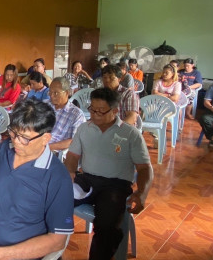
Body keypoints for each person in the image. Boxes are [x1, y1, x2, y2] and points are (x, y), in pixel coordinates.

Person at [0, 99, 74, 260]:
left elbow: (57, 241)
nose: (16, 141)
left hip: (17, 254)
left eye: (24, 137)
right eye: (13, 133)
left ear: (46, 138)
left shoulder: (57, 178)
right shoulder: (5, 148)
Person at [64, 88, 153, 260]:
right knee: (51, 198)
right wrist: (69, 171)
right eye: (92, 109)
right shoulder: (84, 128)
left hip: (115, 185)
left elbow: (144, 168)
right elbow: (73, 156)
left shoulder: (130, 134)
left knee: (106, 226)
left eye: (100, 111)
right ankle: (51, 250)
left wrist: (142, 193)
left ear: (115, 111)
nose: (94, 114)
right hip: (87, 180)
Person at [48, 77, 86, 153]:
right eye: (50, 92)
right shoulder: (45, 105)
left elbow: (74, 141)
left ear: (67, 93)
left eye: (55, 93)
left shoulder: (76, 114)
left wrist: (47, 148)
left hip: (54, 151)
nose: (51, 96)